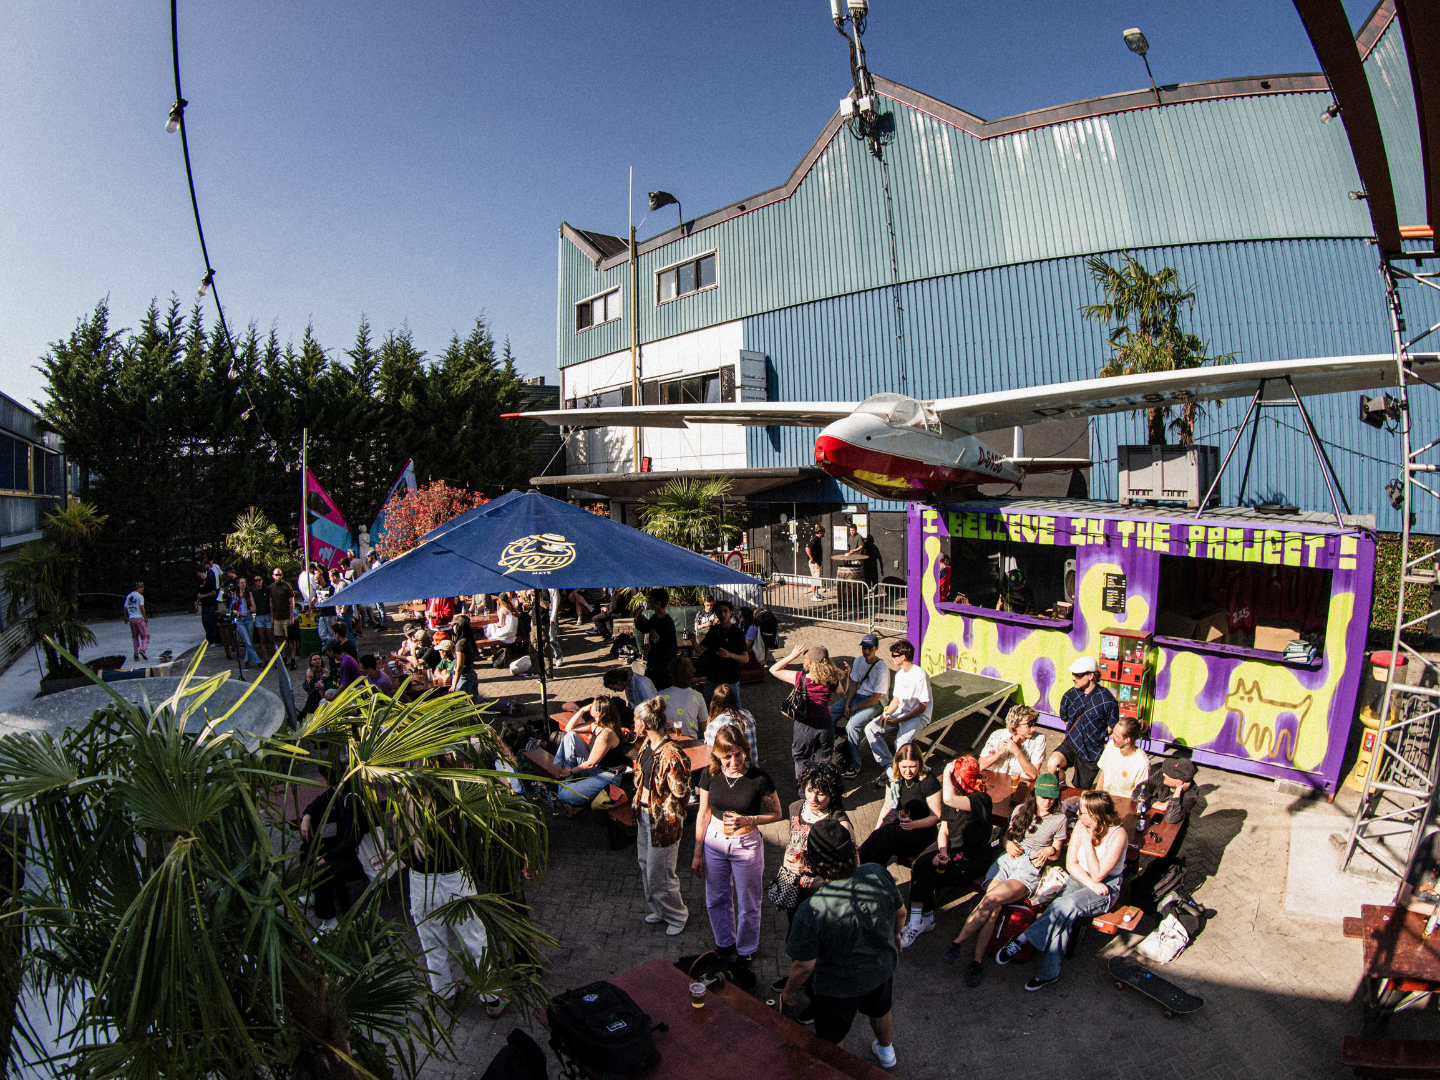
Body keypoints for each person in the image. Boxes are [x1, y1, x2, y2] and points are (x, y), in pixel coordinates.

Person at [781, 818, 903, 1070]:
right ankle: (887, 1052)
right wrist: (897, 936)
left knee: (831, 1037)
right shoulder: (877, 872)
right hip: (881, 969)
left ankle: (839, 1072)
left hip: (838, 986)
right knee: (880, 1009)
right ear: (851, 850)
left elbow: (804, 965)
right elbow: (901, 913)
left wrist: (788, 992)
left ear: (812, 860)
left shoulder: (811, 909)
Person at [944, 772, 1068, 985]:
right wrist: (1007, 843)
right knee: (992, 910)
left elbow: (1057, 852)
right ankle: (977, 961)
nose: (1047, 801)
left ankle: (957, 942)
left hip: (1028, 869)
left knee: (990, 899)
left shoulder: (1059, 819)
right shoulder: (1021, 810)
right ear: (1035, 794)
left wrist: (1048, 851)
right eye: (1043, 796)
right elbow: (1005, 839)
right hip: (1006, 861)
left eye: (1052, 797)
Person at [996, 790, 1126, 991]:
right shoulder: (1082, 826)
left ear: (1095, 814)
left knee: (1065, 904)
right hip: (1082, 878)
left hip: (1106, 887)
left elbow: (1099, 875)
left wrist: (1088, 843)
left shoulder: (1117, 835)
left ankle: (1023, 938)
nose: (1078, 816)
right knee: (1062, 914)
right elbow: (1071, 863)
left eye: (1082, 812)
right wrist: (1090, 883)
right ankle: (1049, 973)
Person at [397, 782, 508, 1016]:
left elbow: (403, 851)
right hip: (454, 878)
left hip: (420, 880)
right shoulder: (451, 800)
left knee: (431, 942)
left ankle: (444, 993)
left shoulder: (405, 804)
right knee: (475, 938)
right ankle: (492, 998)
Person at [691, 724, 783, 970]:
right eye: (727, 756)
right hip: (714, 843)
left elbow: (776, 813)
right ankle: (724, 943)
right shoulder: (709, 775)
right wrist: (697, 852)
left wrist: (750, 820)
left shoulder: (759, 778)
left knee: (748, 901)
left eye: (738, 754)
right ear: (717, 755)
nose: (734, 761)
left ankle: (746, 949)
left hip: (746, 846)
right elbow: (703, 813)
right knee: (716, 898)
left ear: (745, 750)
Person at [767, 764, 854, 1016]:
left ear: (833, 794)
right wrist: (788, 859)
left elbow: (844, 865)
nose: (813, 799)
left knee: (818, 949)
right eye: (809, 790)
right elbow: (794, 839)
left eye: (821, 793)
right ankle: (797, 977)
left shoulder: (839, 822)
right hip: (795, 886)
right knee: (795, 936)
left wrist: (809, 866)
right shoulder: (796, 808)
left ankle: (815, 1000)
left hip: (820, 892)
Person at [899, 755, 994, 948]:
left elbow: (949, 799)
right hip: (951, 849)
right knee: (920, 864)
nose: (951, 781)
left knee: (928, 875)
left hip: (972, 856)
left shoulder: (981, 800)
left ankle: (924, 920)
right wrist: (942, 852)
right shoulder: (955, 797)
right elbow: (944, 829)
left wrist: (947, 771)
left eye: (955, 777)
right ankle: (920, 921)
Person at [633, 697, 690, 935]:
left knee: (662, 874)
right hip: (644, 814)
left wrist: (670, 815)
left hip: (663, 823)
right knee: (646, 865)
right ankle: (659, 909)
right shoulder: (647, 745)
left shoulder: (672, 754)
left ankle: (677, 916)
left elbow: (681, 792)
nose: (633, 724)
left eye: (635, 720)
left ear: (644, 724)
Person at [299, 772, 369, 931]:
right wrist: (307, 816)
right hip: (349, 844)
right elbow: (322, 799)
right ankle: (314, 894)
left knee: (321, 870)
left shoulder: (353, 798)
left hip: (360, 851)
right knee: (307, 848)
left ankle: (329, 921)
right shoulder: (341, 789)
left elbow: (351, 841)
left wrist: (327, 857)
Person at [1129, 756, 1201, 905]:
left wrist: (1177, 794)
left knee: (1164, 861)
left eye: (1168, 774)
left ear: (1179, 782)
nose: (1164, 774)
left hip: (1172, 833)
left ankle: (1147, 895)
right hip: (1151, 822)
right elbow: (1139, 791)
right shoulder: (1163, 774)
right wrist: (1157, 804)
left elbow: (1172, 818)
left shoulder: (1191, 795)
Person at [858, 743, 943, 868]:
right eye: (904, 767)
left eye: (912, 766)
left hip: (920, 830)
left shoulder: (928, 781)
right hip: (898, 823)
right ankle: (864, 871)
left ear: (920, 763)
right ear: (897, 764)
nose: (908, 771)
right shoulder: (895, 779)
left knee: (884, 839)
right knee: (874, 840)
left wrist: (914, 825)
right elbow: (887, 807)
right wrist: (876, 831)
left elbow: (936, 816)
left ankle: (869, 875)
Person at [771, 642, 843, 779]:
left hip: (804, 725)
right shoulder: (833, 679)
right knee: (824, 760)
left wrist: (792, 656)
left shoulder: (801, 678)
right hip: (825, 725)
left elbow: (774, 670)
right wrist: (845, 676)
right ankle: (822, 789)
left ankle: (805, 793)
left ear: (809, 661)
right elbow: (841, 691)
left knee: (802, 758)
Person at [1044, 656, 1117, 789]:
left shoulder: (1107, 700)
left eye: (1078, 675)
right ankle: (1060, 789)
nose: (1073, 678)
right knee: (1053, 764)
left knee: (1080, 789)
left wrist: (1096, 737)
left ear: (1090, 676)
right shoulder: (1069, 695)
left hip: (1092, 750)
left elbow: (1112, 726)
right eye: (1073, 674)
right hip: (1071, 744)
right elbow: (1065, 718)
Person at [864, 639, 931, 768]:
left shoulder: (920, 676)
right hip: (901, 712)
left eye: (894, 655)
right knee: (870, 728)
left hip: (918, 717)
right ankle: (888, 764)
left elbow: (922, 707)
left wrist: (899, 720)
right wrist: (887, 713)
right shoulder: (900, 674)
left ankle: (897, 773)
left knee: (900, 744)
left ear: (903, 657)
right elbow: (896, 700)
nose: (892, 658)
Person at [553, 697, 630, 808]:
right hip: (595, 768)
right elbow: (569, 729)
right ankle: (564, 776)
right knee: (570, 736)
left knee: (564, 795)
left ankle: (567, 779)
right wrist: (581, 710)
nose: (589, 706)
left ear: (598, 713)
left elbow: (590, 764)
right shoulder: (595, 724)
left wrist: (570, 771)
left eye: (591, 706)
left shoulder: (606, 734)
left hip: (605, 776)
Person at [834, 633, 890, 778]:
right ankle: (830, 750)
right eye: (864, 648)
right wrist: (847, 705)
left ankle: (855, 764)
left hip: (876, 702)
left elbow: (875, 698)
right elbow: (853, 686)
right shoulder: (859, 661)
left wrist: (853, 709)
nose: (866, 652)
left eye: (870, 649)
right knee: (830, 713)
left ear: (876, 648)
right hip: (859, 697)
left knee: (852, 726)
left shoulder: (882, 668)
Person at [698, 600, 748, 707]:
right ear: (716, 614)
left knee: (733, 709)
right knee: (708, 707)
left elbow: (745, 658)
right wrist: (693, 640)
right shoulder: (713, 631)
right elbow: (698, 649)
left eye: (725, 611)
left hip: (730, 679)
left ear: (731, 613)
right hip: (713, 678)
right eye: (719, 612)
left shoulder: (737, 633)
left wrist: (729, 655)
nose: (722, 614)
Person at [977, 705, 1048, 780]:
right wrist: (999, 753)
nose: (1033, 729)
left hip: (1021, 785)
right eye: (1029, 724)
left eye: (1034, 722)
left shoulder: (1039, 739)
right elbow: (980, 766)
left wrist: (1017, 752)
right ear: (1015, 726)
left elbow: (1033, 775)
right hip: (997, 782)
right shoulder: (997, 735)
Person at [1096, 716, 1151, 800]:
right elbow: (1103, 770)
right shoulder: (1111, 745)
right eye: (1113, 732)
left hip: (1125, 803)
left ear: (1127, 740)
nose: (1111, 736)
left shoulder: (1141, 763)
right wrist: (1097, 794)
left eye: (1116, 735)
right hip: (1105, 799)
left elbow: (1140, 793)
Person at [703, 683, 760, 764]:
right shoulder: (748, 715)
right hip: (753, 767)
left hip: (730, 770)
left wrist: (706, 737)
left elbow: (713, 755)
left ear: (715, 702)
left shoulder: (713, 725)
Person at [658, 656, 705, 738]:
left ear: (671, 674)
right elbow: (703, 726)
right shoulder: (698, 696)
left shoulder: (660, 696)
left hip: (667, 743)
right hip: (691, 741)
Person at [639, 588, 677, 691]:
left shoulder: (668, 624)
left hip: (663, 669)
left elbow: (671, 651)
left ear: (658, 603)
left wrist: (653, 649)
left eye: (651, 601)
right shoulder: (655, 617)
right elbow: (645, 628)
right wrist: (637, 618)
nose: (649, 603)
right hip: (653, 665)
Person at [229, 576, 263, 669]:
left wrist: (250, 610)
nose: (243, 584)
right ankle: (258, 662)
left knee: (250, 641)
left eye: (244, 582)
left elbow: (254, 608)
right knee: (247, 642)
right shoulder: (235, 595)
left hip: (248, 618)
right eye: (241, 583)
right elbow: (232, 609)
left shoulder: (249, 594)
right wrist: (237, 612)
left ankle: (246, 661)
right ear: (238, 584)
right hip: (240, 620)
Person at [269, 567, 298, 670]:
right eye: (276, 575)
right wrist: (272, 617)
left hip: (286, 617)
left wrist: (291, 618)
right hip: (277, 617)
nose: (278, 576)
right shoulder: (271, 587)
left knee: (290, 639)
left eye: (280, 574)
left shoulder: (287, 586)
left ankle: (293, 660)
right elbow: (271, 603)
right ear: (273, 576)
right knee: (280, 639)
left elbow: (292, 602)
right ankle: (284, 658)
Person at [250, 574, 274, 659]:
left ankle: (274, 659)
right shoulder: (253, 592)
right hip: (259, 616)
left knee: (271, 639)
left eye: (259, 580)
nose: (258, 582)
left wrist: (272, 617)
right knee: (262, 639)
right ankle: (266, 659)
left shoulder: (267, 589)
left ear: (262, 580)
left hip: (268, 615)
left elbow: (271, 603)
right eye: (256, 581)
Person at [124, 581, 148, 661]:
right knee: (145, 635)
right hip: (139, 618)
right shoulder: (140, 596)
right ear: (140, 588)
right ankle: (142, 649)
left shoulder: (129, 596)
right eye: (142, 589)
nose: (142, 590)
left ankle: (136, 654)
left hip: (131, 619)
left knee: (135, 637)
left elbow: (125, 607)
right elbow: (142, 607)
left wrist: (126, 617)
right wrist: (145, 617)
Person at [197, 563, 221, 645]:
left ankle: (215, 640)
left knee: (211, 623)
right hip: (204, 605)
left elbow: (213, 592)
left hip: (210, 604)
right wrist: (197, 603)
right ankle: (209, 640)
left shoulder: (209, 579)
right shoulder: (201, 582)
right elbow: (200, 593)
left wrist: (204, 596)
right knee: (205, 623)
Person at [806, 524, 825, 601]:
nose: (824, 534)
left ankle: (816, 593)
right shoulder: (815, 539)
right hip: (815, 563)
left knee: (818, 578)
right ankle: (813, 595)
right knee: (815, 578)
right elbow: (807, 548)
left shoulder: (817, 539)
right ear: (820, 532)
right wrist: (811, 558)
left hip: (817, 562)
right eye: (823, 532)